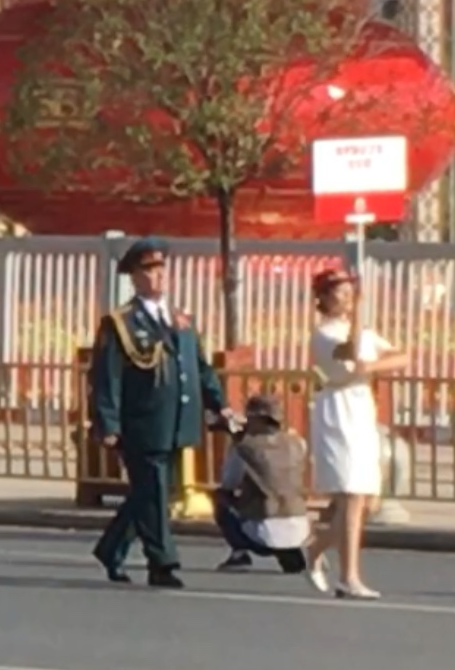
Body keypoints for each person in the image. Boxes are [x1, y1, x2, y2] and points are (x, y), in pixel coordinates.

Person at [90, 237, 232, 589]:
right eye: (148, 270)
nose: (157, 277)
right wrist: (107, 421)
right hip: (142, 421)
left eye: (160, 269)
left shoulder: (180, 319)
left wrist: (221, 404)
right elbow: (107, 376)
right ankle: (162, 563)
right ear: (134, 277)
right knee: (152, 490)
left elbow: (200, 369)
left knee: (152, 491)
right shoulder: (120, 323)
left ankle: (111, 548)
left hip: (177, 420)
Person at [303, 267, 408, 600]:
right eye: (338, 290)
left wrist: (370, 368)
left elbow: (402, 357)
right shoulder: (323, 334)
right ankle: (349, 576)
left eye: (349, 289)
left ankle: (315, 548)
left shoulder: (365, 333)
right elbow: (348, 353)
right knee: (349, 494)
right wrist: (359, 318)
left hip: (361, 409)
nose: (346, 296)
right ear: (322, 297)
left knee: (362, 499)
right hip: (337, 410)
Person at [213, 394, 312, 577]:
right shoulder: (298, 443)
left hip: (263, 530)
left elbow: (229, 483)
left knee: (221, 497)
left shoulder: (244, 447)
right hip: (300, 523)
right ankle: (293, 549)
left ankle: (240, 553)